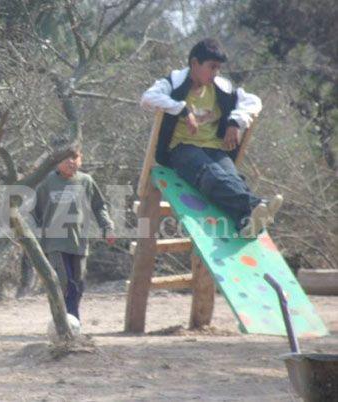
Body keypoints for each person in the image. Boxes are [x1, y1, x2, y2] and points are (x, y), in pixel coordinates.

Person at [141, 38, 281, 238]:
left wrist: (235, 122)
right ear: (195, 63)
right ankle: (254, 205)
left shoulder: (222, 88)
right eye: (212, 67)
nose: (215, 73)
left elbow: (253, 101)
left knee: (233, 179)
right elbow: (147, 98)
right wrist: (181, 109)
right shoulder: (174, 82)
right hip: (181, 148)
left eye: (218, 68)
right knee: (210, 174)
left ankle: (246, 223)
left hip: (214, 148)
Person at [33, 148, 114, 321]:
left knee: (78, 285)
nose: (71, 161)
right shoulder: (47, 182)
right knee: (64, 282)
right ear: (56, 161)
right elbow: (34, 211)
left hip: (79, 243)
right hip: (54, 243)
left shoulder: (86, 181)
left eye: (75, 157)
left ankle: (70, 320)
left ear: (81, 159)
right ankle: (68, 322)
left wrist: (106, 226)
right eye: (65, 158)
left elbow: (99, 206)